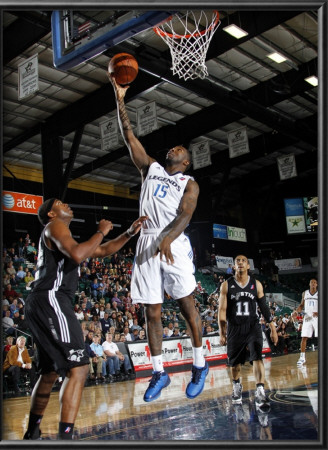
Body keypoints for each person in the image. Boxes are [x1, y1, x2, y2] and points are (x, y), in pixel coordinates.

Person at [109, 74, 208, 402]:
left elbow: (186, 214)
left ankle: (199, 364)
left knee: (186, 307)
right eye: (174, 146)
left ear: (186, 161)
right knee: (151, 312)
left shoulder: (189, 183)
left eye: (182, 149)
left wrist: (167, 239)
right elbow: (128, 135)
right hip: (147, 243)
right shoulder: (149, 169)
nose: (176, 147)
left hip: (174, 244)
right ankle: (158, 372)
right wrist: (119, 96)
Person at [22, 198, 146, 440]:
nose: (67, 204)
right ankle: (65, 437)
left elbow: (101, 250)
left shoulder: (61, 236)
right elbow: (79, 255)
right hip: (52, 299)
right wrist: (100, 230)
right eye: (59, 203)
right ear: (50, 213)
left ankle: (33, 432)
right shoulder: (55, 226)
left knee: (48, 373)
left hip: (42, 302)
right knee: (78, 368)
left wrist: (129, 233)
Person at [218, 255, 278, 411]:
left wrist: (272, 327)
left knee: (257, 357)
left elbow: (264, 307)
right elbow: (222, 311)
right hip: (234, 327)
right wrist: (222, 332)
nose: (240, 263)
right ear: (234, 266)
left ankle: (260, 390)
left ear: (248, 266)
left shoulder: (256, 284)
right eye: (237, 261)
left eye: (243, 261)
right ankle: (236, 386)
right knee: (235, 364)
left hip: (252, 326)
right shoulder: (226, 285)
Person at [296, 278, 318, 367]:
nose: (313, 284)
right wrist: (299, 309)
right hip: (307, 317)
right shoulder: (305, 293)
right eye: (311, 282)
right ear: (309, 284)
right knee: (304, 337)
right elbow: (302, 304)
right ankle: (302, 357)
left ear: (317, 284)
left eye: (314, 283)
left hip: (317, 317)